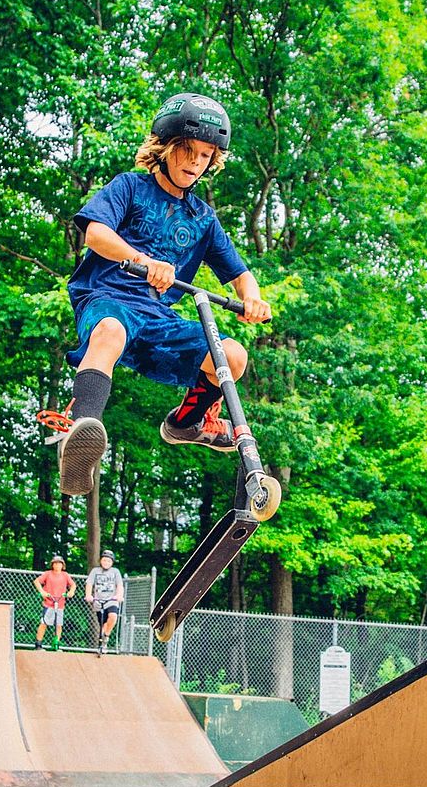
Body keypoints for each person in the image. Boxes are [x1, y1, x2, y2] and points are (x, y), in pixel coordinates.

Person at [55, 91, 272, 496]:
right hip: (106, 296)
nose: (194, 161)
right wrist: (141, 258)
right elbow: (96, 232)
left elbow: (239, 274)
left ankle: (186, 422)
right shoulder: (130, 188)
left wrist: (253, 299)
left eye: (205, 155)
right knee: (110, 331)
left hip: (158, 318)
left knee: (234, 356)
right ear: (165, 147)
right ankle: (79, 433)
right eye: (187, 150)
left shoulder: (202, 219)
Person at [85, 549, 124, 654]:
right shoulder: (95, 571)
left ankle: (106, 635)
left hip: (111, 600)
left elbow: (119, 585)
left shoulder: (115, 572)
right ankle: (102, 644)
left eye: (108, 561)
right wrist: (88, 595)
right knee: (102, 623)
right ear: (101, 561)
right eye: (104, 560)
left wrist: (119, 595)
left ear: (112, 562)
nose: (106, 563)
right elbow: (89, 584)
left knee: (113, 617)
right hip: (99, 601)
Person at [33, 555, 75, 650]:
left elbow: (73, 585)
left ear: (62, 565)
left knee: (59, 625)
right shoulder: (48, 574)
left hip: (60, 603)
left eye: (59, 563)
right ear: (52, 565)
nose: (57, 565)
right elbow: (36, 581)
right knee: (44, 623)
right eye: (55, 563)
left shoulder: (65, 575)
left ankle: (56, 644)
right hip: (49, 602)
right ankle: (38, 645)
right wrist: (42, 592)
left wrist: (71, 592)